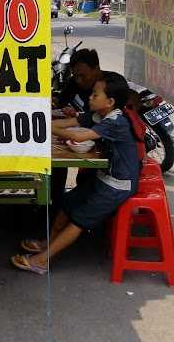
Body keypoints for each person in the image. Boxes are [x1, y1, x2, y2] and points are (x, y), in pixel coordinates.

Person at [12, 72, 140, 274]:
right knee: (68, 203)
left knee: (79, 219)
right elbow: (72, 123)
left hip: (117, 185)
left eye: (95, 95)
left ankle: (42, 261)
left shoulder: (116, 122)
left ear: (110, 101)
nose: (90, 97)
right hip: (104, 177)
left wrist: (43, 128)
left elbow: (77, 137)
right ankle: (48, 242)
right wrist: (38, 123)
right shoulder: (101, 114)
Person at [51, 49, 102, 211]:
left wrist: (59, 127)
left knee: (87, 184)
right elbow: (60, 102)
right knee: (58, 165)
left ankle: (71, 209)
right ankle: (58, 203)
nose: (79, 81)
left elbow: (82, 124)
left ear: (96, 69)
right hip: (86, 140)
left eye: (83, 76)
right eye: (75, 76)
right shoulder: (75, 82)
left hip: (106, 155)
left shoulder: (108, 87)